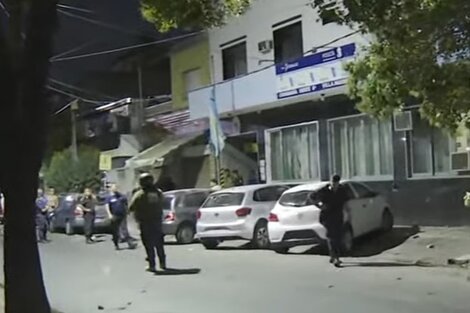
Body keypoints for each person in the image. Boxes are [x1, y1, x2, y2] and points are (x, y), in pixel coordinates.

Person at [130, 173, 166, 272]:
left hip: (145, 222)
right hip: (157, 222)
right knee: (159, 243)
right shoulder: (158, 192)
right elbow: (163, 203)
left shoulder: (140, 194)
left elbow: (131, 207)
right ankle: (163, 263)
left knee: (148, 244)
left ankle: (152, 265)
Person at [317, 175, 349, 268]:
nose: (334, 184)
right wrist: (320, 205)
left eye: (336, 183)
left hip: (338, 216)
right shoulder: (324, 190)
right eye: (333, 182)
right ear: (330, 182)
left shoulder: (341, 190)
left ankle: (333, 256)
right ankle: (336, 257)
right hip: (327, 217)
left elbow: (345, 202)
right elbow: (311, 197)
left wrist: (347, 213)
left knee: (337, 237)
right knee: (331, 237)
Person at [107, 184, 136, 250]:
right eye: (113, 188)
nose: (115, 189)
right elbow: (107, 206)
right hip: (114, 215)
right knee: (115, 231)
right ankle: (116, 244)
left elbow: (126, 203)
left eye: (116, 187)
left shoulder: (121, 196)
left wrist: (127, 210)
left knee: (124, 230)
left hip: (122, 215)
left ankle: (130, 244)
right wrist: (109, 214)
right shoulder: (109, 197)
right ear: (110, 189)